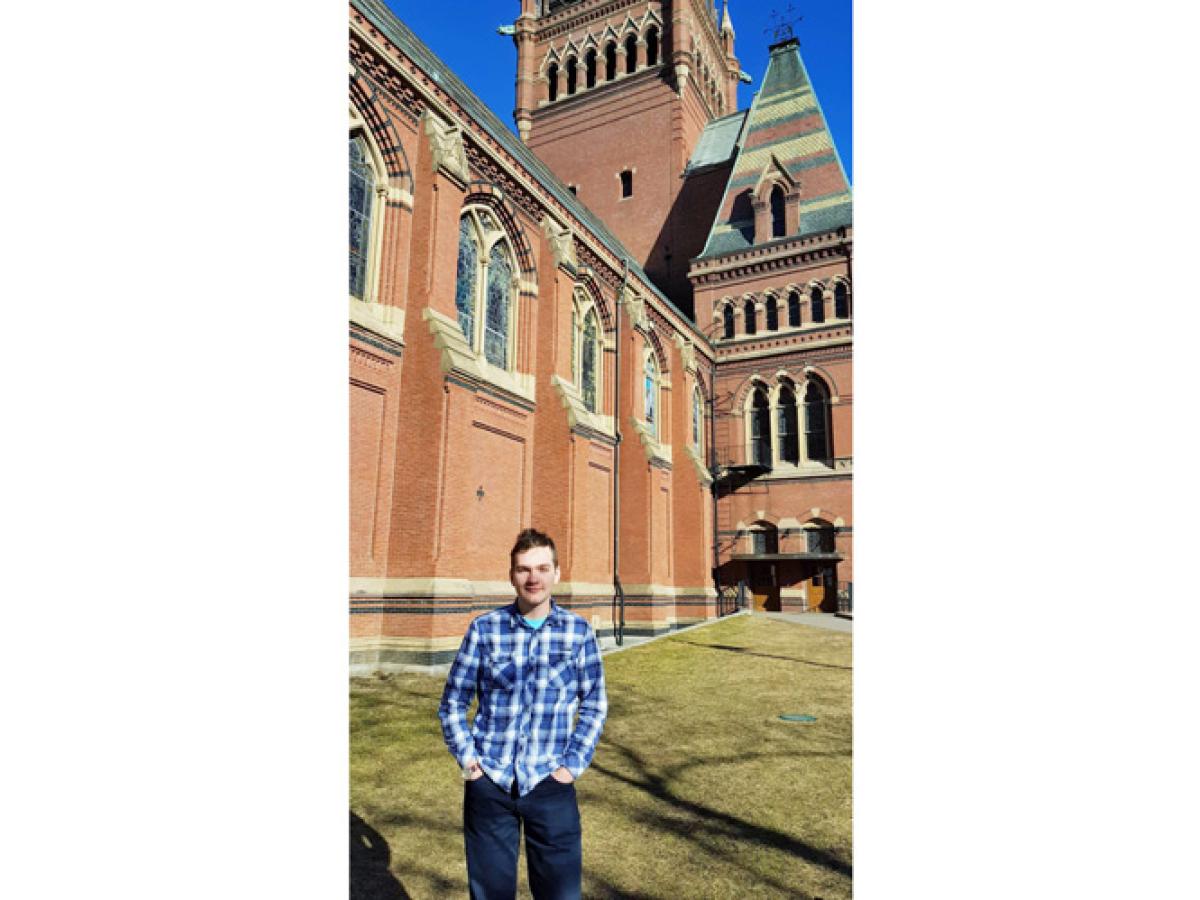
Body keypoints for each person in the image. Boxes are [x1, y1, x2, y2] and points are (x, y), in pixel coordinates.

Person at [438, 528, 608, 900]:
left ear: (557, 573)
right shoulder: (485, 630)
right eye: (524, 569)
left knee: (560, 894)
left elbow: (595, 704)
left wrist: (571, 767)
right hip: (491, 783)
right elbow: (453, 702)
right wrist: (470, 763)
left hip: (551, 783)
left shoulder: (578, 632)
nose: (534, 578)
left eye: (543, 568)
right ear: (511, 575)